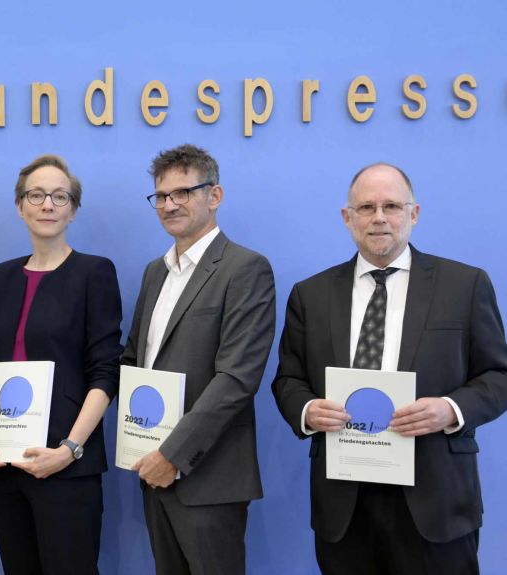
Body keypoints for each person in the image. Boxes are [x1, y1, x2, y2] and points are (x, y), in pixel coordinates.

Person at [272, 162, 507, 575]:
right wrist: (308, 411)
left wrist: (450, 409)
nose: (379, 217)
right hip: (344, 503)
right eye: (366, 207)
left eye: (392, 206)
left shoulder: (465, 285)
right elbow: (289, 379)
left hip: (435, 501)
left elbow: (498, 376)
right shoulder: (310, 294)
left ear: (414, 214)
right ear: (348, 218)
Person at [121, 144, 275, 575]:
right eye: (162, 196)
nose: (170, 205)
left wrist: (172, 454)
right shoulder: (156, 272)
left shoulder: (246, 268)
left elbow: (237, 378)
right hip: (151, 469)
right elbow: (135, 362)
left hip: (208, 477)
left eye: (183, 193)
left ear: (215, 195)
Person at [0, 154, 122, 575]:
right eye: (36, 195)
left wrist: (69, 450)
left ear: (73, 209)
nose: (47, 205)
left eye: (59, 196)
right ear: (20, 206)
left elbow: (106, 372)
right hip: (4, 461)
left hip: (64, 465)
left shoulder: (95, 273)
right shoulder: (2, 277)